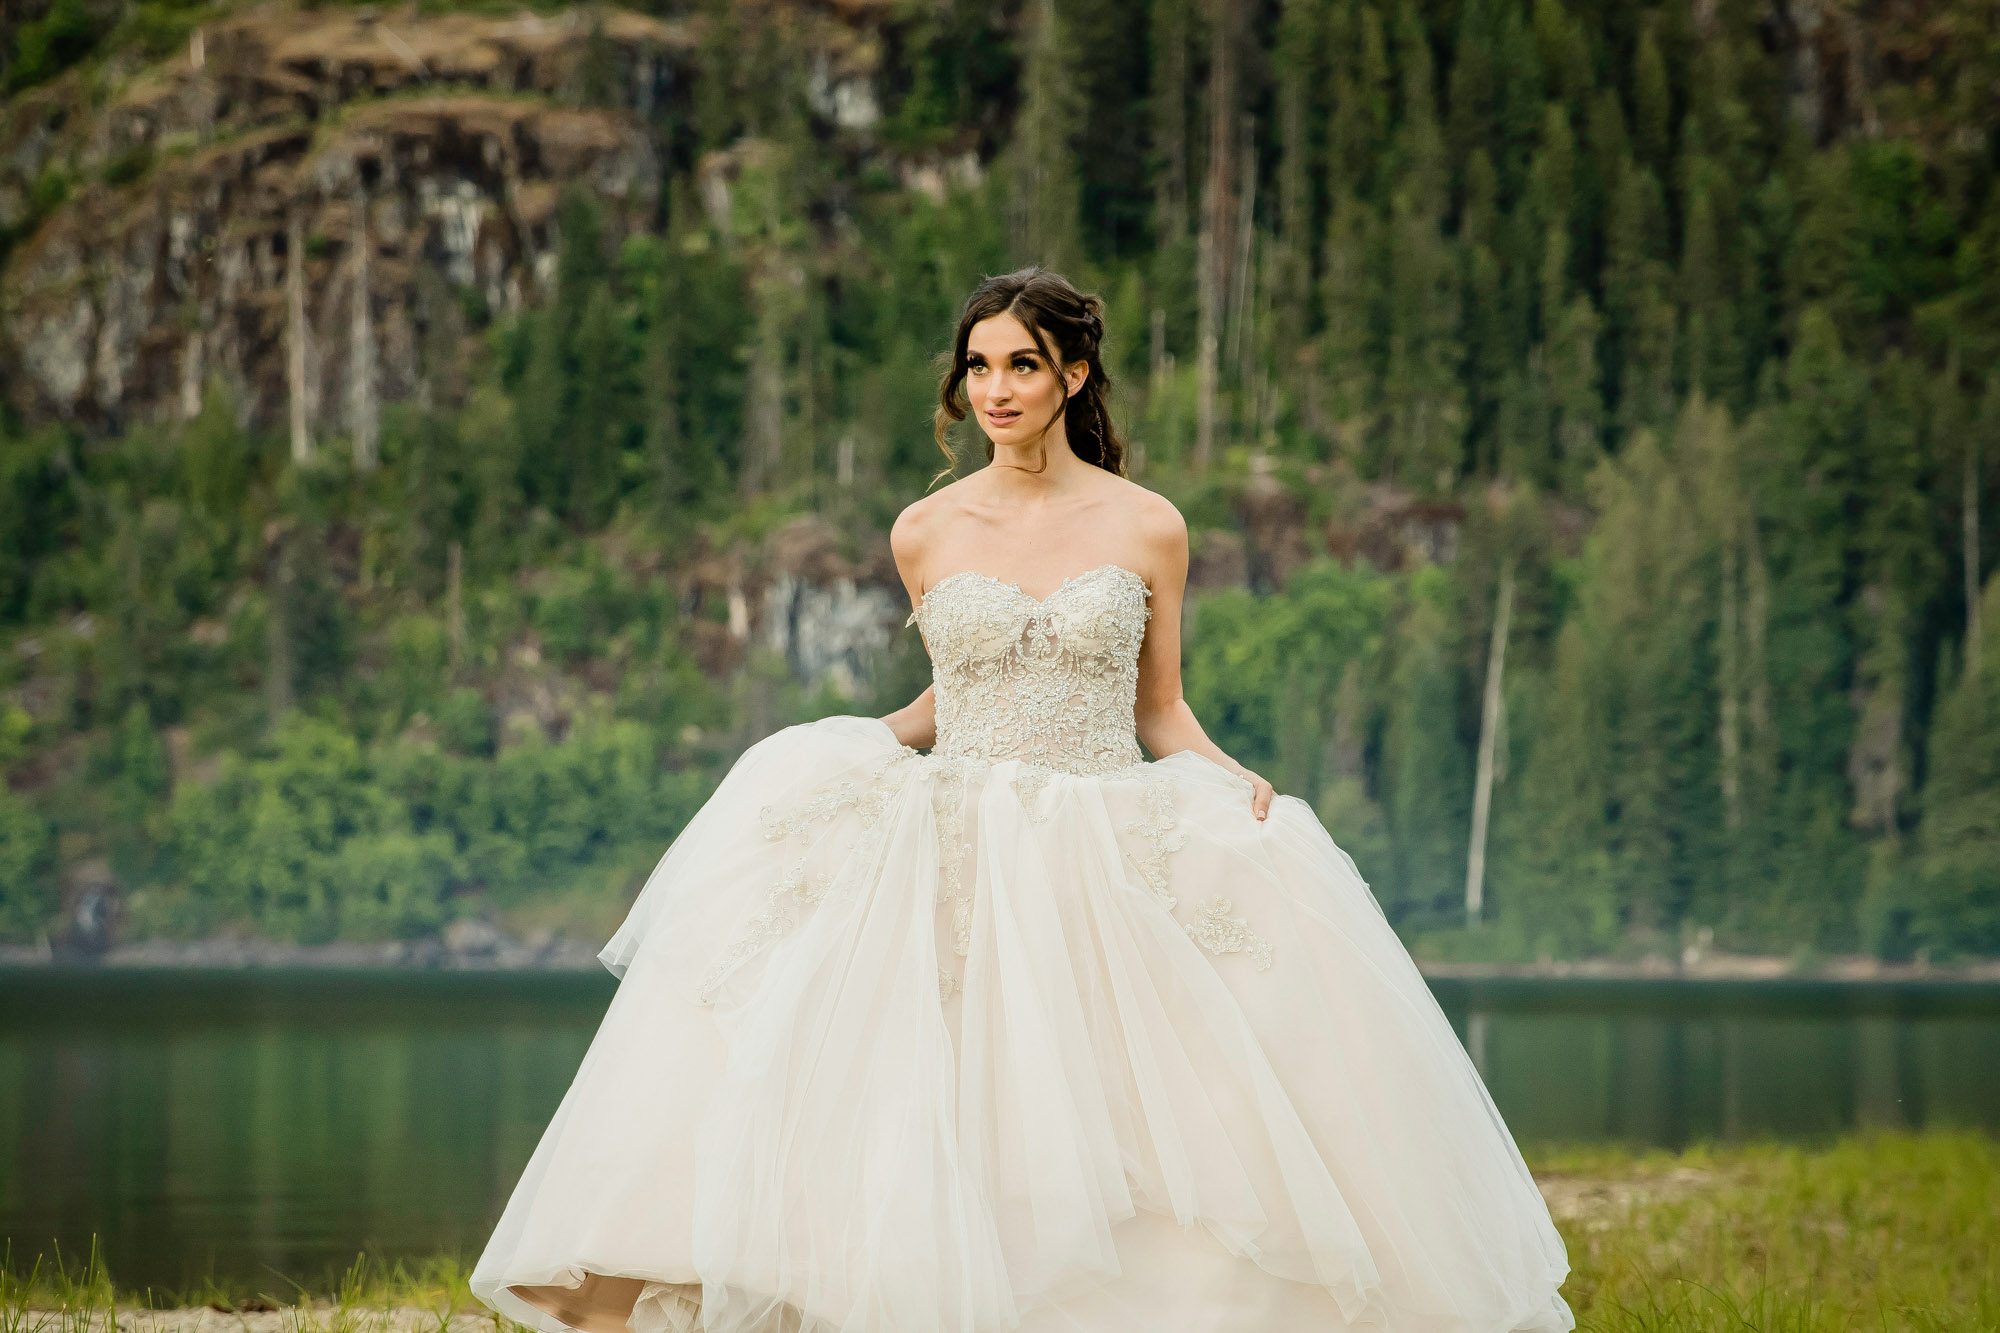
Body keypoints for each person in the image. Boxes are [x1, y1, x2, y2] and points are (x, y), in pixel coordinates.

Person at [470, 267, 1575, 1333]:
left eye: (1022, 365)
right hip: (953, 834)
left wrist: (1229, 775)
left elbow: (1159, 707)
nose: (994, 389)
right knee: (932, 1095)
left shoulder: (1148, 523)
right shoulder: (925, 528)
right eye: (977, 367)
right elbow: (947, 699)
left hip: (1102, 828)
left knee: (1150, 1108)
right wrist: (837, 754)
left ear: (1074, 375)